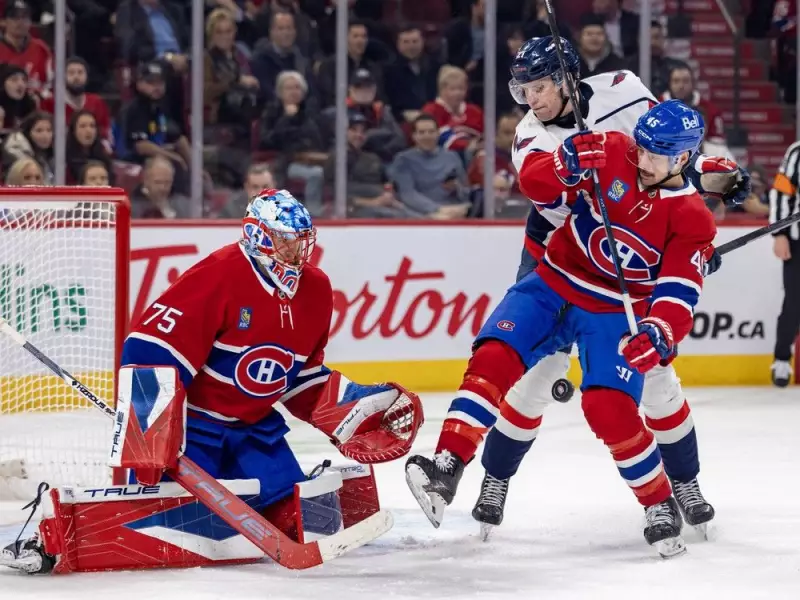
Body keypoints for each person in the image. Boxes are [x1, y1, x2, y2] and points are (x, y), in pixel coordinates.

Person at [409, 37, 750, 541]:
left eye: (540, 87)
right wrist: (566, 162)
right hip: (559, 251)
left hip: (630, 278)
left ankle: (683, 484)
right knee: (529, 376)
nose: (531, 101)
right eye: (522, 90)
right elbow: (538, 182)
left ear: (569, 79)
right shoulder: (534, 132)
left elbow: (663, 153)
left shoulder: (624, 90)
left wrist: (702, 199)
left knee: (653, 383)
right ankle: (492, 478)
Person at [1, 189, 423, 574]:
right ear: (259, 236)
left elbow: (300, 375)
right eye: (286, 241)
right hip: (194, 430)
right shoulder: (218, 275)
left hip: (257, 430)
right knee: (153, 513)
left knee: (295, 510)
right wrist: (151, 432)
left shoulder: (316, 289)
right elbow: (149, 348)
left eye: (302, 240)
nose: (298, 252)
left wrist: (346, 411)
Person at [768, 140, 800, 387]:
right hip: (798, 243)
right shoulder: (797, 152)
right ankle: (781, 360)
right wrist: (779, 233)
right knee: (794, 303)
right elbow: (781, 191)